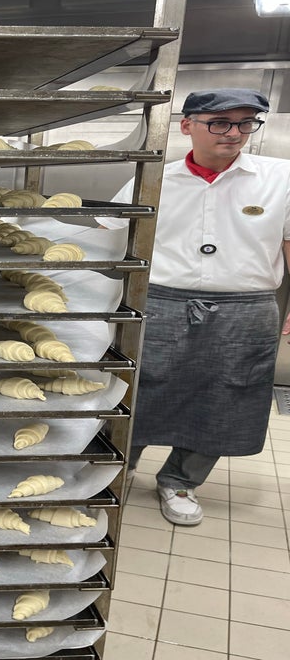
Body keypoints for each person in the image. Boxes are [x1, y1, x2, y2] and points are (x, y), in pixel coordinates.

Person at [100, 88, 290, 525]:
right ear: (187, 125)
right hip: (160, 302)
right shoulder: (154, 178)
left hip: (246, 309)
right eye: (220, 123)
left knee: (227, 398)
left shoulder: (279, 177)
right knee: (139, 391)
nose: (234, 133)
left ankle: (180, 481)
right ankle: (118, 471)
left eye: (246, 123)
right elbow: (107, 233)